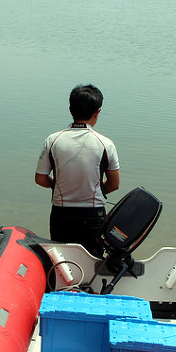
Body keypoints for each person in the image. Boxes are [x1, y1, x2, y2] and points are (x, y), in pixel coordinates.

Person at [35, 84, 120, 255]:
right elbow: (114, 184)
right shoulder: (105, 144)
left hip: (62, 213)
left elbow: (41, 179)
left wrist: (57, 185)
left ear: (70, 109)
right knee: (92, 263)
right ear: (98, 111)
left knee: (62, 264)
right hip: (94, 215)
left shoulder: (53, 140)